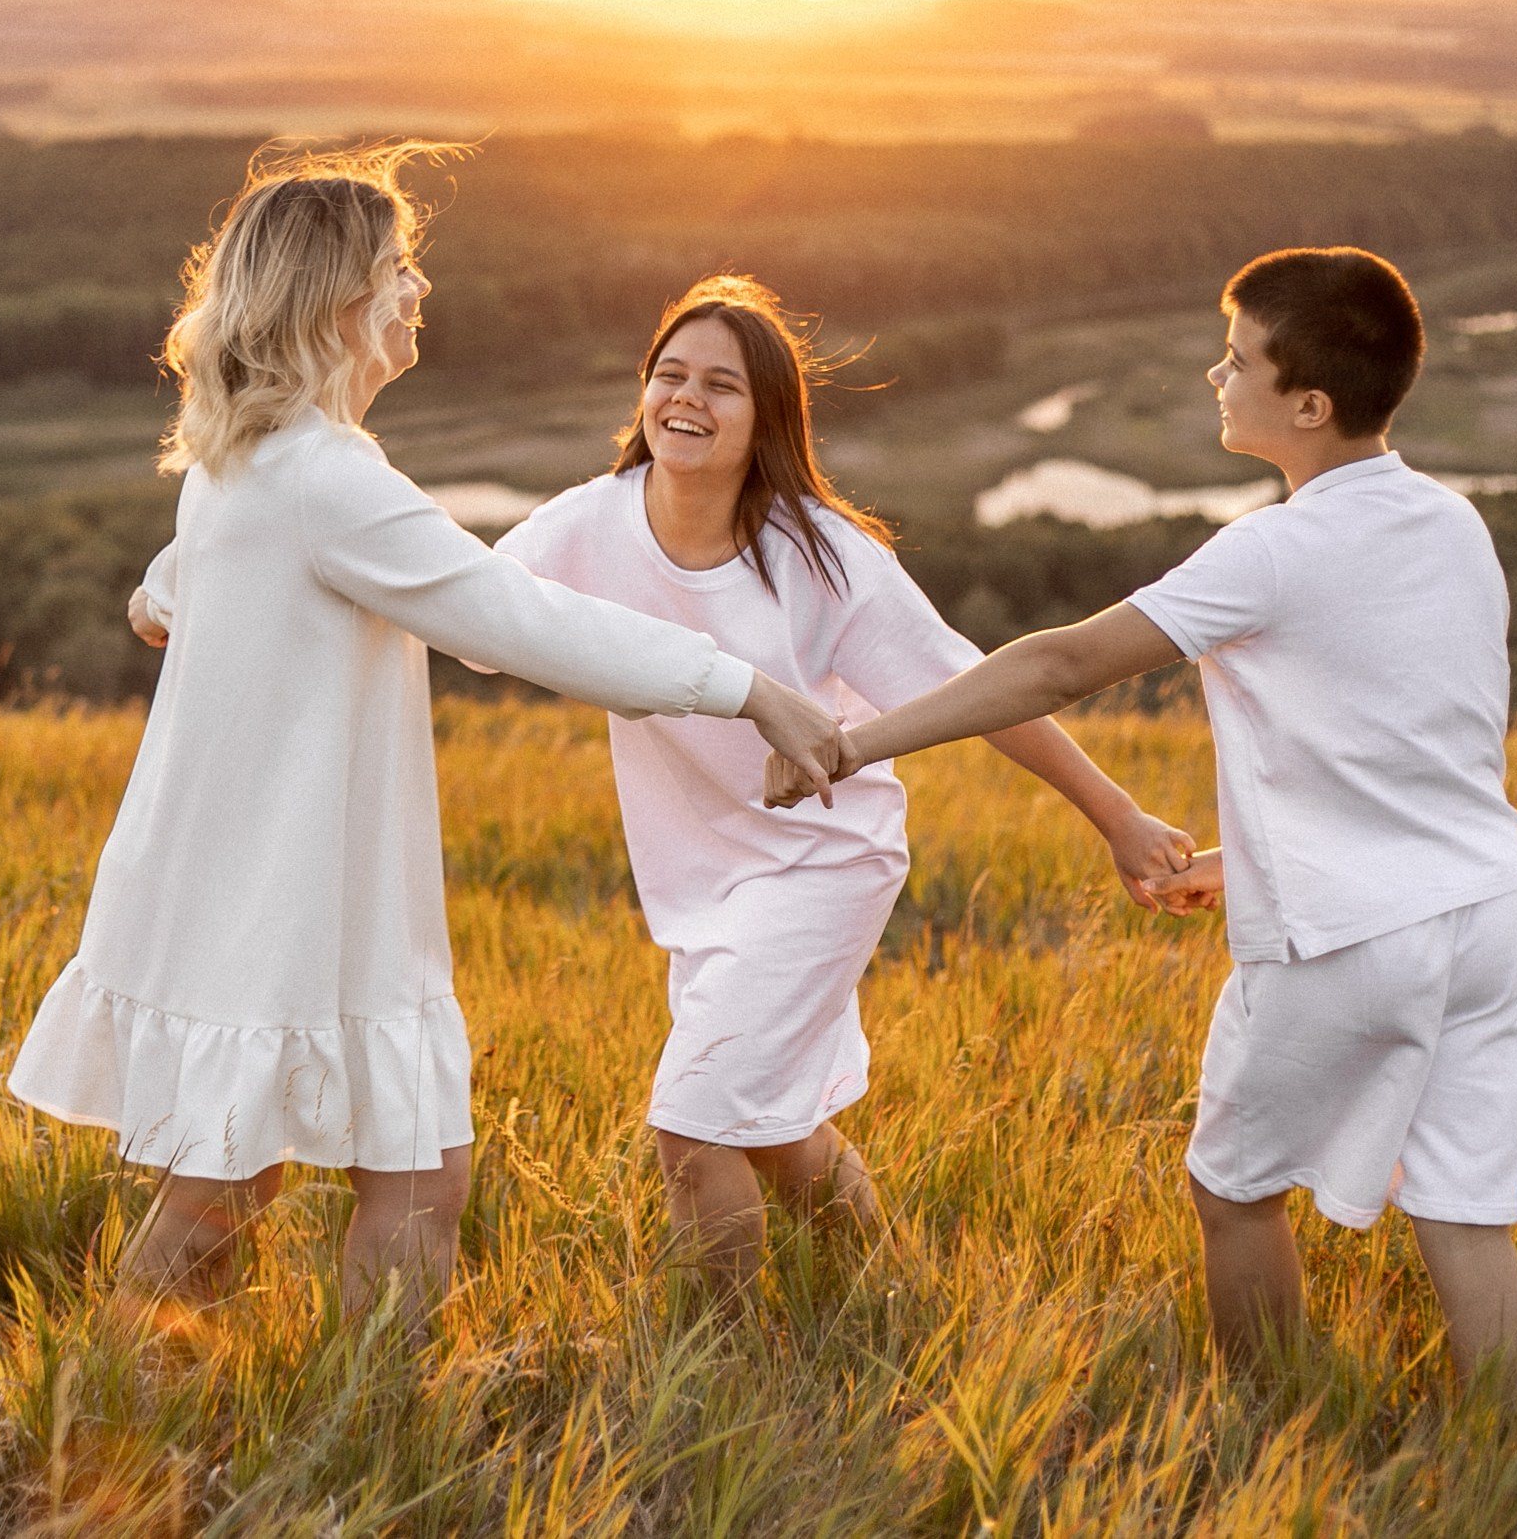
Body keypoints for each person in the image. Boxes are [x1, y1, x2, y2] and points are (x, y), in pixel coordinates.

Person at [13, 146, 846, 1337]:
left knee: (265, 1184)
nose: (417, 290)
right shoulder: (326, 476)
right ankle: (282, 1422)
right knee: (359, 1183)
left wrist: (161, 590)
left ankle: (226, 1418)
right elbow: (511, 616)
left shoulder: (249, 456)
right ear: (337, 300)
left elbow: (208, 562)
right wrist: (745, 686)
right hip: (287, 895)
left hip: (266, 886)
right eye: (398, 268)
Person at [767, 248, 1517, 1400]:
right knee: (1467, 1223)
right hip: (1491, 916)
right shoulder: (1452, 523)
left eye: (1236, 361)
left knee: (1233, 1190)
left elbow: (1061, 663)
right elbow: (1418, 749)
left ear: (1309, 405)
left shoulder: (1275, 548)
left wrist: (852, 743)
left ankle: (1264, 1432)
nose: (1212, 377)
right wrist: (1243, 861)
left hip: (1347, 939)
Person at [490, 276, 1195, 1303]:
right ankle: (895, 1298)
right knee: (774, 1132)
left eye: (720, 385)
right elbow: (459, 612)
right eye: (669, 375)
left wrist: (1116, 813)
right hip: (700, 878)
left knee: (692, 1130)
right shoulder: (585, 524)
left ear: (766, 415)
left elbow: (981, 690)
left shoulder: (819, 555)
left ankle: (721, 1370)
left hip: (824, 861)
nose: (686, 398)